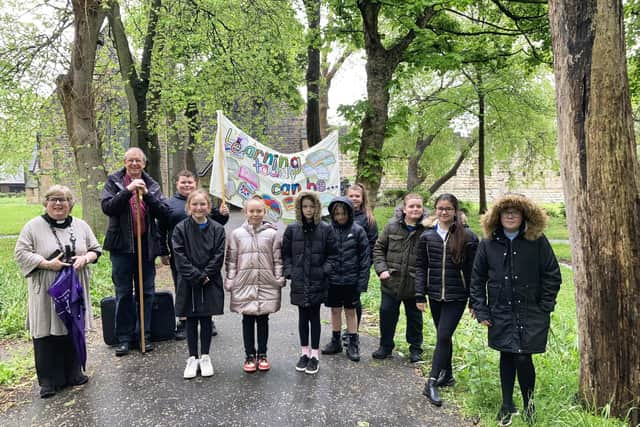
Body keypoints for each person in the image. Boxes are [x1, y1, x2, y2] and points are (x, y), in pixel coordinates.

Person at [469, 193, 561, 426]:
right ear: (497, 217)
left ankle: (529, 404)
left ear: (524, 216)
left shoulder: (537, 241)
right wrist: (482, 310)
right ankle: (507, 404)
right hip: (500, 310)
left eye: (515, 211)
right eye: (505, 211)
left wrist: (545, 305)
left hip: (531, 310)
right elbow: (477, 279)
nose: (510, 215)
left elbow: (552, 274)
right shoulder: (488, 243)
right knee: (507, 354)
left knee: (523, 356)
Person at [14, 185, 101, 398]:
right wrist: (45, 263)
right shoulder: (33, 227)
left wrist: (85, 258)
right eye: (53, 199)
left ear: (70, 204)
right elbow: (20, 253)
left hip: (74, 286)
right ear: (46, 202)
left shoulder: (81, 225)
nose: (58, 203)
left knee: (71, 327)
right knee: (46, 329)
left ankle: (73, 373)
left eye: (63, 199)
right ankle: (48, 381)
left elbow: (95, 249)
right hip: (46, 289)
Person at [101, 147, 169, 357]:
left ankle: (144, 335)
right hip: (121, 246)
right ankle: (124, 338)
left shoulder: (153, 185)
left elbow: (163, 212)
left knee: (146, 293)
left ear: (144, 163)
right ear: (125, 162)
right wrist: (128, 190)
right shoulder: (113, 182)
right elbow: (108, 207)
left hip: (145, 245)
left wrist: (147, 196)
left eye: (138, 161)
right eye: (130, 160)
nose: (134, 164)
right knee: (123, 293)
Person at [415, 193, 479, 406]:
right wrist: (419, 294)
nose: (444, 212)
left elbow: (473, 271)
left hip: (456, 296)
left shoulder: (468, 237)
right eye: (440, 208)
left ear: (455, 211)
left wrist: (474, 300)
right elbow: (421, 267)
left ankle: (431, 382)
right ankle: (448, 375)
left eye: (448, 209)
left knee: (443, 335)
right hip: (434, 295)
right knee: (445, 336)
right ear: (435, 210)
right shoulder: (427, 237)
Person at [159, 169, 229, 340]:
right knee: (182, 286)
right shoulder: (168, 204)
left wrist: (223, 215)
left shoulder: (204, 202)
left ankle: (207, 317)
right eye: (183, 182)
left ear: (195, 183)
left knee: (206, 285)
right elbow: (161, 229)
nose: (186, 185)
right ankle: (184, 320)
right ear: (177, 184)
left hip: (205, 254)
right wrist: (163, 251)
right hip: (180, 254)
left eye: (189, 182)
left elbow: (216, 225)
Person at [225, 195, 285, 373]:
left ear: (264, 212)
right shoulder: (237, 234)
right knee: (248, 319)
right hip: (245, 283)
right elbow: (232, 260)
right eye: (252, 211)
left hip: (266, 283)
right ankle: (249, 355)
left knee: (263, 319)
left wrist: (278, 278)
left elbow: (278, 260)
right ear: (245, 212)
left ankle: (263, 354)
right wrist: (230, 279)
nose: (255, 214)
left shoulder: (272, 234)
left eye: (259, 211)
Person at [282, 191, 337, 375]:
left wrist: (323, 271)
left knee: (315, 316)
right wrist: (290, 272)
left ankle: (315, 355)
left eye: (311, 206)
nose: (308, 210)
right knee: (302, 317)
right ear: (299, 208)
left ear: (317, 208)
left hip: (317, 280)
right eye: (305, 206)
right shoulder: (292, 229)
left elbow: (333, 255)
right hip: (299, 279)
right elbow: (286, 254)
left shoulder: (325, 228)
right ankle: (304, 352)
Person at [172, 189, 226, 379]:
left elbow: (219, 255)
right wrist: (195, 275)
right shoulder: (180, 229)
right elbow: (179, 255)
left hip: (210, 280)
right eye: (194, 204)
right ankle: (192, 357)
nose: (199, 207)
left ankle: (205, 356)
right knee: (191, 318)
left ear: (208, 207)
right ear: (188, 207)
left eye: (202, 204)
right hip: (188, 280)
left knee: (205, 318)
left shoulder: (218, 229)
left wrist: (206, 274)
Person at [372, 192, 426, 362]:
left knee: (415, 319)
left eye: (418, 206)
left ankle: (416, 349)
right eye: (411, 206)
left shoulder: (427, 229)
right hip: (391, 282)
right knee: (387, 314)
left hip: (414, 284)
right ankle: (385, 346)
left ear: (423, 209)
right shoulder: (391, 226)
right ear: (404, 209)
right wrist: (382, 270)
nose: (415, 209)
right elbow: (379, 248)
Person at [321, 197, 370, 362]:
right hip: (333, 280)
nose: (340, 217)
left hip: (351, 280)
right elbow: (323, 255)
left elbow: (364, 258)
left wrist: (362, 282)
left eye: (343, 213)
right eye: (337, 214)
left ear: (349, 213)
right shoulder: (328, 231)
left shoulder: (358, 231)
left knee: (350, 311)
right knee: (335, 310)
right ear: (332, 215)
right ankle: (335, 341)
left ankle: (353, 342)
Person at [345, 183, 378, 339]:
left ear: (362, 198)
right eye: (351, 196)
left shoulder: (368, 219)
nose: (354, 199)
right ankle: (343, 330)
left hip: (358, 266)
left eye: (357, 196)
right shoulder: (340, 216)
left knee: (354, 300)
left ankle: (353, 332)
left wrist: (366, 264)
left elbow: (373, 243)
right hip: (341, 266)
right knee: (340, 301)